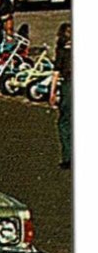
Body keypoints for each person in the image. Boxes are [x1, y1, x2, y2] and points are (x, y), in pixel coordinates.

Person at [52, 23, 72, 169]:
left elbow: (56, 72)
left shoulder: (62, 51)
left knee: (64, 122)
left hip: (69, 85)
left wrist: (52, 91)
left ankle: (68, 157)